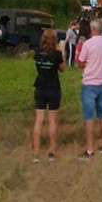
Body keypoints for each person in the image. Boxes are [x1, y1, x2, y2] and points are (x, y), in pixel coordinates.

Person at [76, 18, 102, 160]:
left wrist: (84, 63)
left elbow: (80, 63)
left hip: (90, 83)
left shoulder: (88, 44)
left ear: (92, 29)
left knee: (89, 116)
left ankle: (89, 149)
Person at [31, 28, 64, 163]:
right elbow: (62, 69)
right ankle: (51, 151)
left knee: (39, 120)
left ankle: (36, 153)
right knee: (52, 120)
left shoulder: (37, 53)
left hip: (40, 87)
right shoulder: (56, 54)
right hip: (53, 88)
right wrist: (62, 51)